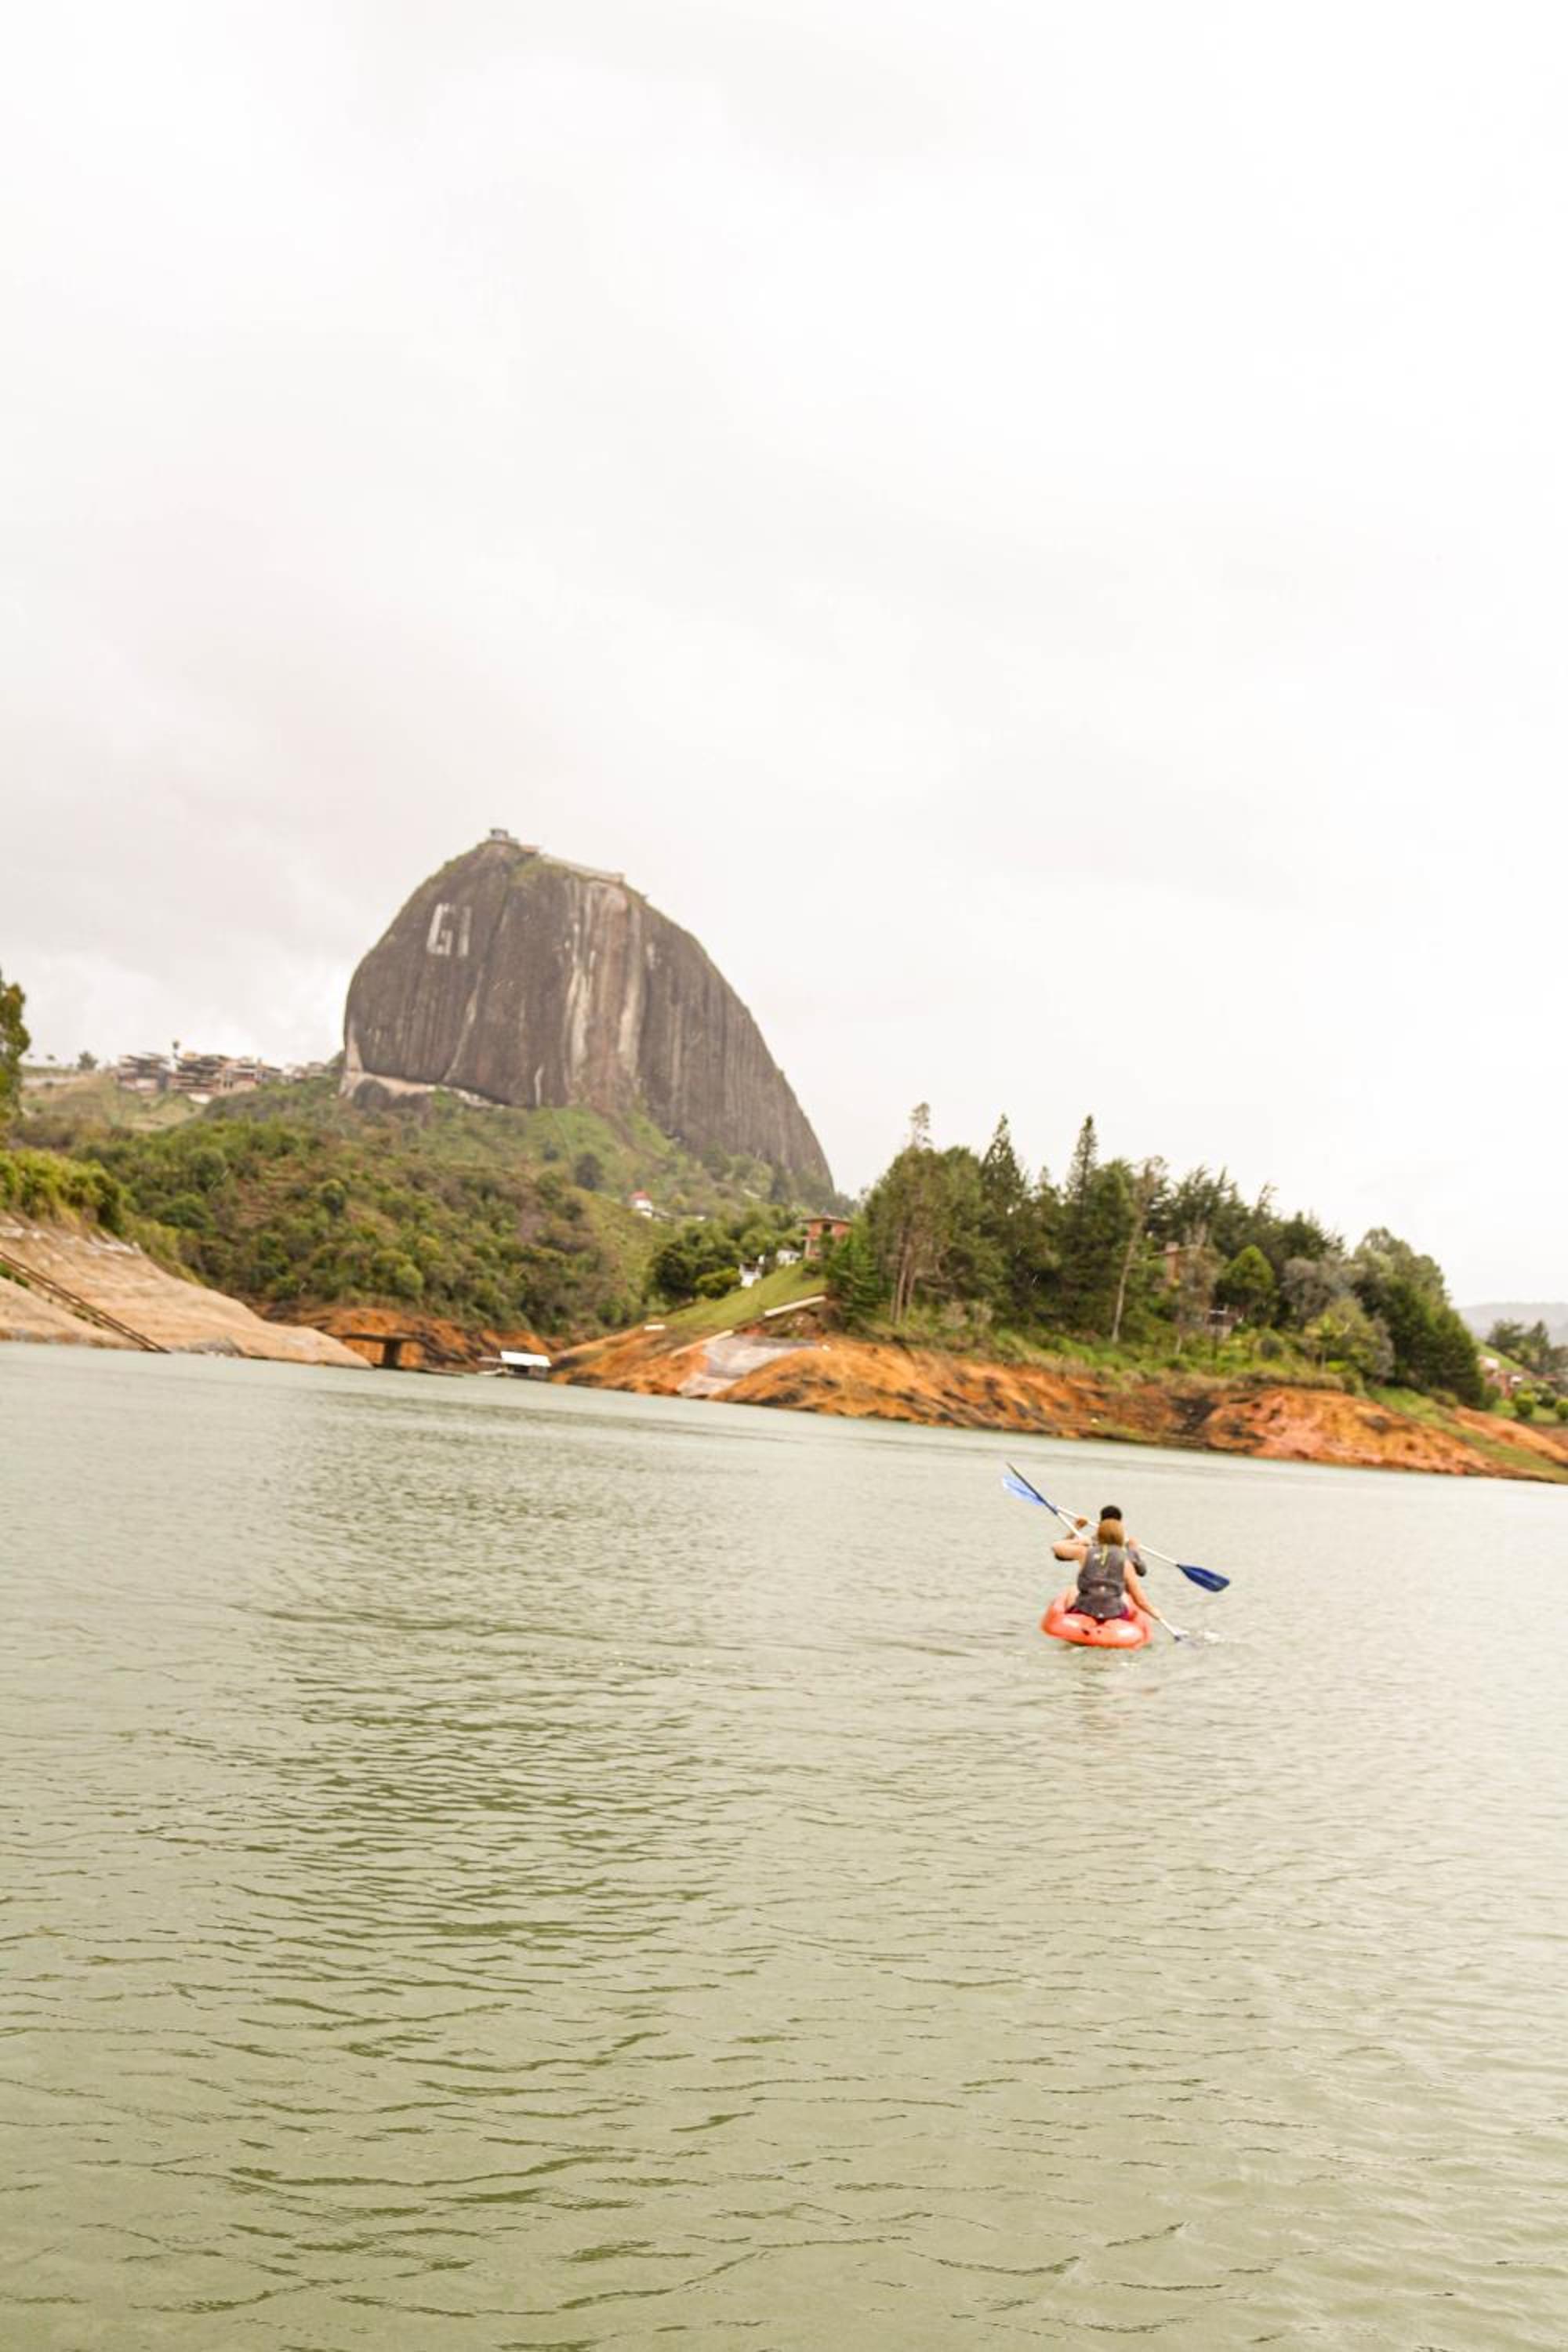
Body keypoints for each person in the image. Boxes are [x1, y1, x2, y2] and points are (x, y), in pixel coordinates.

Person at [1052, 1504, 1174, 1632]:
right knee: (1126, 1598)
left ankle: (1082, 1619)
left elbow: (1058, 1552)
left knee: (1073, 1591)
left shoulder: (1085, 1549)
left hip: (1088, 1602)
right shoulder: (1125, 1555)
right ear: (1120, 1525)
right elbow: (1141, 1572)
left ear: (1100, 1523)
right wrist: (1134, 1551)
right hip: (1113, 1604)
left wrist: (1077, 1534)